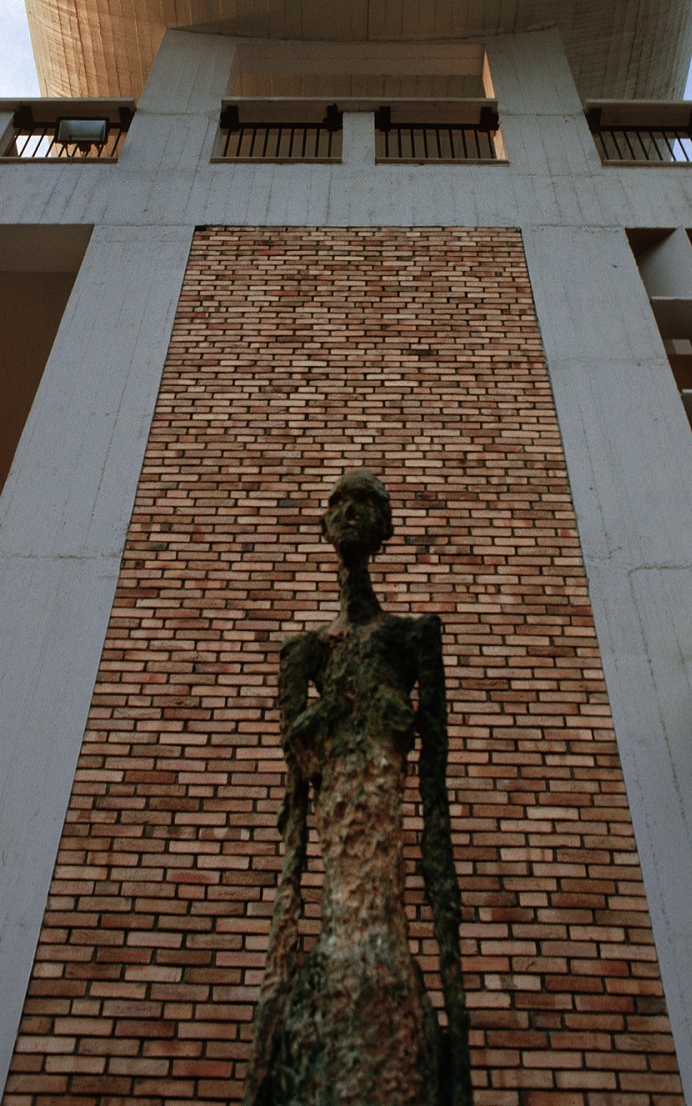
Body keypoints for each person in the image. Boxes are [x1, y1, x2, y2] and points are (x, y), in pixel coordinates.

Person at [244, 470, 472, 1105]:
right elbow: (295, 817)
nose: (350, 512)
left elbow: (435, 808)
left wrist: (456, 1003)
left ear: (384, 529)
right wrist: (275, 979)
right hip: (329, 933)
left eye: (366, 503)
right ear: (324, 526)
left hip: (390, 926)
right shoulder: (303, 652)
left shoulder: (413, 636)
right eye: (339, 503)